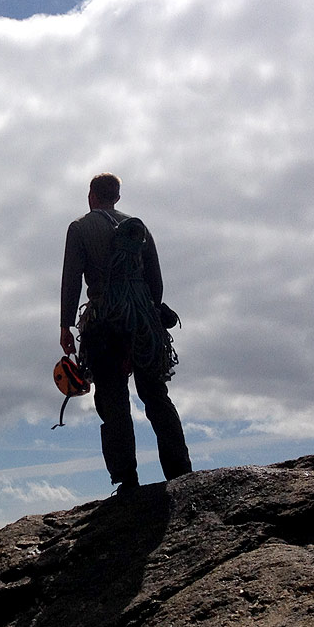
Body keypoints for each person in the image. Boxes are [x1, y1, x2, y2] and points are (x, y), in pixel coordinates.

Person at [60, 173, 191, 490]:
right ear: (117, 197)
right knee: (156, 396)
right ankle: (181, 474)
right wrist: (147, 313)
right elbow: (156, 282)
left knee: (113, 401)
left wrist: (65, 325)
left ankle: (126, 480)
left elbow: (72, 280)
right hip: (143, 322)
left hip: (104, 324)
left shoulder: (80, 228)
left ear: (91, 195)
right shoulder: (138, 227)